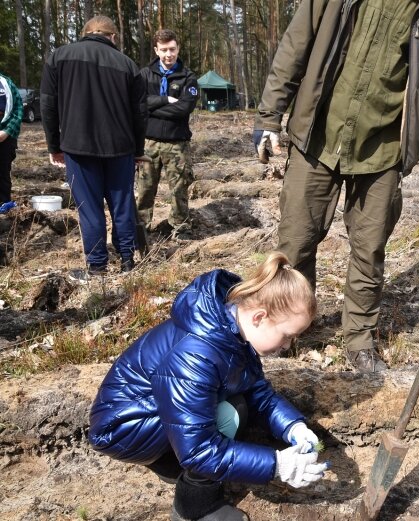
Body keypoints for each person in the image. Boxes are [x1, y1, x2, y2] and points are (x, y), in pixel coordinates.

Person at [253, 0, 419, 373]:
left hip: (384, 149)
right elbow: (295, 43)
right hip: (317, 134)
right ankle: (286, 328)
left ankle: (360, 341)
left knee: (370, 248)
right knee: (296, 240)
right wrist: (270, 114)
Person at [89, 252, 329, 521]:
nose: (287, 346)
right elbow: (199, 450)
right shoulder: (196, 354)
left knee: (237, 404)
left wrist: (292, 426)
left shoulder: (232, 330)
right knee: (229, 416)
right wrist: (277, 465)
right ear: (260, 317)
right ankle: (194, 507)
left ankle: (169, 463)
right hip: (121, 429)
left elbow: (257, 392)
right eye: (288, 336)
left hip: (152, 414)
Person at [40, 15, 147, 279]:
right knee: (122, 206)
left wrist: (54, 145)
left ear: (85, 34)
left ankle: (97, 267)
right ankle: (127, 261)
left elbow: (48, 105)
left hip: (78, 147)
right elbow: (140, 113)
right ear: (113, 37)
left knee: (90, 209)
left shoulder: (59, 57)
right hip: (120, 148)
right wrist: (137, 150)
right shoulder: (128, 65)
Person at [136, 29, 199, 239]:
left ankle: (181, 227)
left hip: (177, 143)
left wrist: (152, 108)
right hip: (149, 142)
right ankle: (141, 226)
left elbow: (183, 109)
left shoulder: (188, 78)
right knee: (145, 188)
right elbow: (138, 104)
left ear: (178, 48)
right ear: (156, 50)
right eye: (163, 50)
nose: (168, 54)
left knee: (179, 189)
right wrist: (164, 100)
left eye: (172, 49)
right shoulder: (145, 75)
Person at [0, 72, 23, 214]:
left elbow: (18, 108)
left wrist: (6, 131)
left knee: (2, 172)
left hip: (4, 136)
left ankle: (4, 205)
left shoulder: (6, 83)